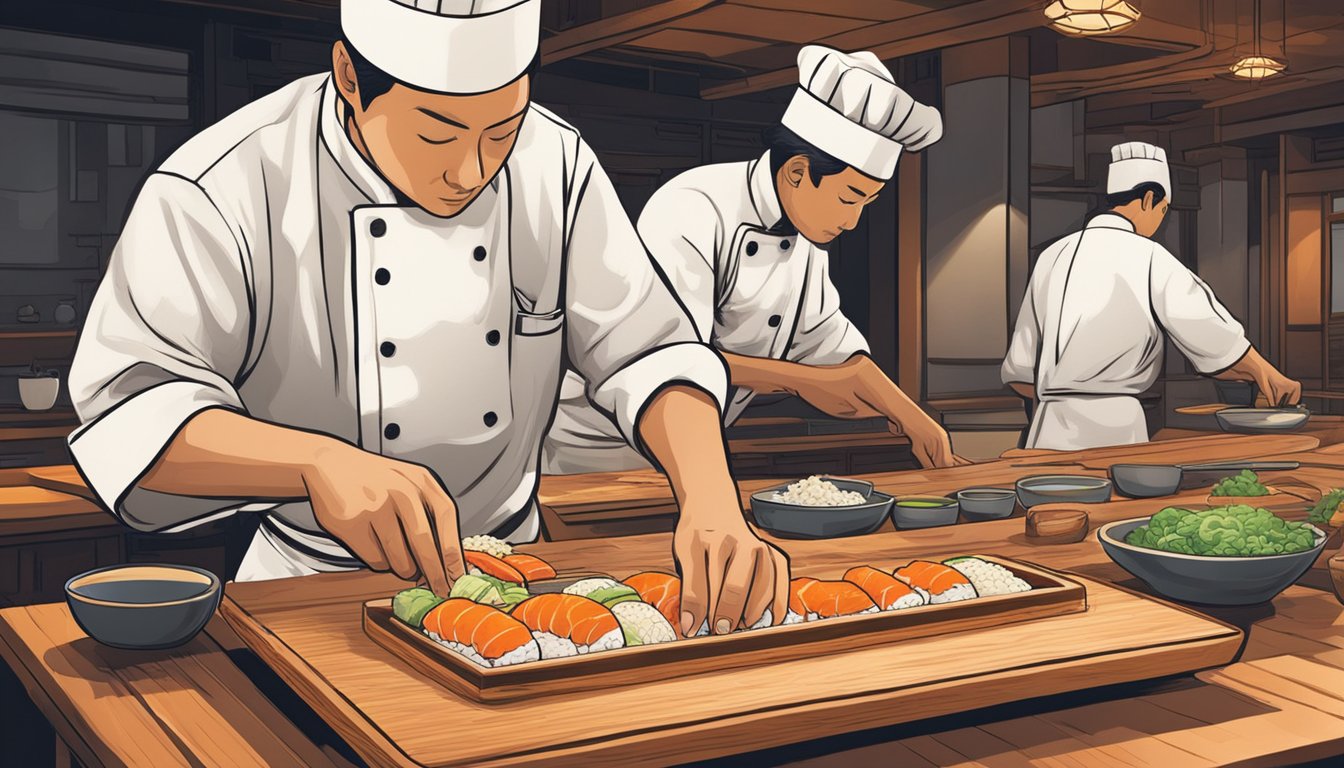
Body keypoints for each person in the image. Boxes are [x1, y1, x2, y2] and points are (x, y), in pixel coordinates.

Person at [67, 0, 789, 636]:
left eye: (501, 131)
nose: (471, 172)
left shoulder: (556, 160)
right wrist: (315, 462)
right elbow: (135, 417)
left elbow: (646, 349)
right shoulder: (223, 184)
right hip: (309, 585)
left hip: (515, 581)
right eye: (436, 136)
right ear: (350, 79)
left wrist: (711, 496)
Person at [543, 45, 968, 474]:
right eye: (848, 198)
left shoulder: (803, 242)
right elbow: (668, 356)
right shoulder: (693, 206)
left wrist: (916, 420)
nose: (854, 221)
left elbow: (835, 350)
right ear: (797, 172)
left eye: (867, 203)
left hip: (694, 450)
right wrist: (808, 383)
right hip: (595, 448)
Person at [1002, 141, 1300, 451]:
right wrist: (1267, 373)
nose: (1160, 220)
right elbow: (1211, 335)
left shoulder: (1052, 256)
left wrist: (1056, 403)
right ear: (1148, 199)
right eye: (1162, 210)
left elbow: (1020, 372)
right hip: (1115, 432)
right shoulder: (1149, 256)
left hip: (1048, 432)